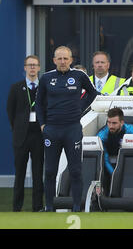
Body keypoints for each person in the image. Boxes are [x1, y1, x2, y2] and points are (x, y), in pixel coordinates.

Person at [35, 46, 98, 212]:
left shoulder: (79, 75)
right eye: (59, 59)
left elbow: (93, 93)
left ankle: (77, 207)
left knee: (76, 170)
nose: (62, 62)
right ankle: (49, 207)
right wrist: (43, 125)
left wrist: (80, 108)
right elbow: (39, 104)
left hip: (72, 130)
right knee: (49, 171)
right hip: (52, 130)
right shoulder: (46, 78)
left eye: (65, 59)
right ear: (54, 60)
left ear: (71, 60)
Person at [7, 56, 44, 212]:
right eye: (29, 65)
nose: (32, 68)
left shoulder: (44, 87)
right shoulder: (16, 87)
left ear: (39, 68)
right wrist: (18, 128)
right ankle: (17, 207)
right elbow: (10, 110)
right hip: (21, 136)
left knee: (38, 172)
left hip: (39, 135)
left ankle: (37, 206)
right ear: (25, 68)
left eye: (35, 65)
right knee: (20, 172)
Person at [97, 108, 133, 193]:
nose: (111, 126)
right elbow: (104, 158)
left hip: (127, 160)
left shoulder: (131, 131)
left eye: (114, 123)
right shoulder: (102, 135)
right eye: (109, 122)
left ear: (122, 123)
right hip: (108, 161)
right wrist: (114, 173)